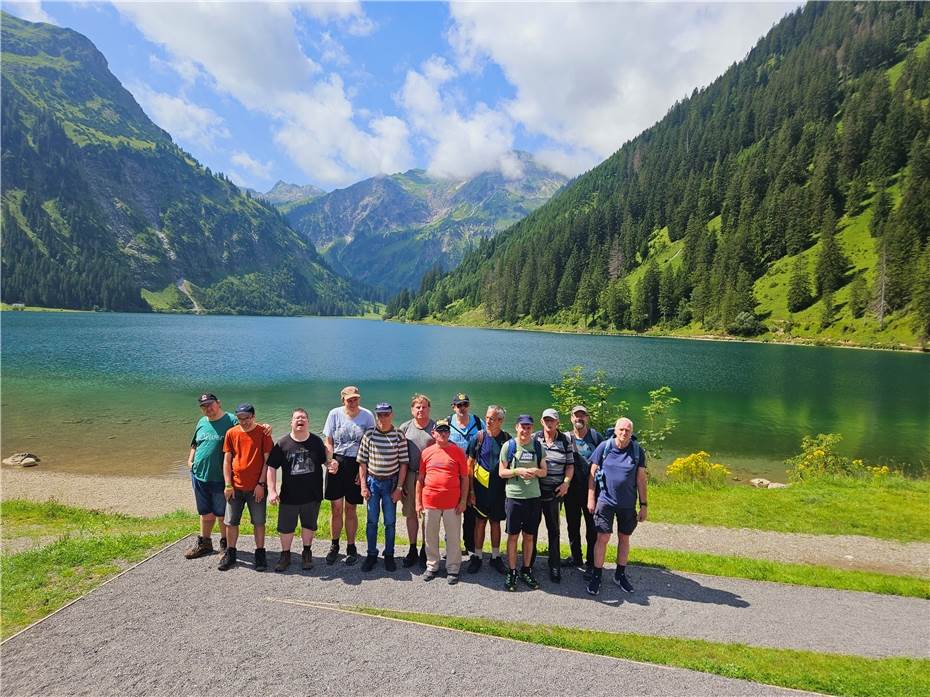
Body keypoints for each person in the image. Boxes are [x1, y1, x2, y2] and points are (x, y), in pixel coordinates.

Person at [586, 417, 648, 595]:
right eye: (621, 429)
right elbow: (592, 474)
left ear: (631, 432)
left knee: (624, 538)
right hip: (605, 501)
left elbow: (641, 480)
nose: (624, 433)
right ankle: (597, 575)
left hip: (627, 504)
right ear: (615, 430)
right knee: (602, 538)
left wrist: (644, 505)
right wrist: (591, 498)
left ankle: (620, 574)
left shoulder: (637, 451)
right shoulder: (604, 447)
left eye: (627, 430)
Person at [267, 408, 327, 572]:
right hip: (289, 495)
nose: (300, 420)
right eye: (296, 418)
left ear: (307, 422)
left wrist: (332, 464)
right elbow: (271, 467)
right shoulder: (282, 443)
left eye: (303, 418)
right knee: (286, 528)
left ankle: (307, 552)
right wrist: (272, 491)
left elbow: (325, 461)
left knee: (309, 525)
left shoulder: (316, 441)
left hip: (312, 494)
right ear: (291, 422)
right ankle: (285, 555)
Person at [322, 386, 375, 566]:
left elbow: (370, 444)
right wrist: (330, 462)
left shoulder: (367, 416)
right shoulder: (334, 414)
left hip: (356, 464)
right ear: (342, 400)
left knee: (351, 509)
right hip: (337, 462)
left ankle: (351, 546)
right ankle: (334, 545)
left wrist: (363, 472)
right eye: (349, 399)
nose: (353, 402)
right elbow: (328, 441)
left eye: (356, 399)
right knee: (336, 508)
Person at [219, 403, 273, 571]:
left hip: (256, 487)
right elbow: (227, 461)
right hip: (235, 486)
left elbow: (267, 461)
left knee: (258, 522)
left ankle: (260, 554)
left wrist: (261, 484)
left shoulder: (263, 433)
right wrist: (228, 484)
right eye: (240, 419)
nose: (244, 422)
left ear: (253, 416)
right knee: (231, 522)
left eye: (247, 418)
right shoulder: (231, 433)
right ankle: (231, 553)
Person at [357, 402, 409, 572]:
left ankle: (389, 555)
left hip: (390, 483)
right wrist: (363, 486)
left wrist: (399, 489)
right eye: (380, 414)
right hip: (373, 483)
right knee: (372, 521)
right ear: (376, 415)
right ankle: (371, 554)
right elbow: (363, 462)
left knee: (390, 522)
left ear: (392, 415)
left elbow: (403, 464)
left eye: (386, 414)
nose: (383, 417)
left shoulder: (398, 435)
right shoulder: (369, 434)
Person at [416, 419, 469, 584]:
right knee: (430, 537)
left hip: (452, 503)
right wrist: (418, 502)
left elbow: (465, 478)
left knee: (453, 537)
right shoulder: (426, 452)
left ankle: (453, 568)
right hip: (430, 501)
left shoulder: (458, 452)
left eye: (446, 430)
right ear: (434, 433)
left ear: (449, 433)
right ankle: (432, 565)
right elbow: (420, 478)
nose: (443, 433)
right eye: (440, 431)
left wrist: (463, 501)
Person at [498, 414, 546, 591]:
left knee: (529, 536)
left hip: (533, 497)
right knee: (512, 536)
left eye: (528, 427)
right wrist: (517, 471)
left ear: (532, 429)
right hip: (514, 497)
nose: (525, 430)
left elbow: (544, 472)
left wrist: (536, 471)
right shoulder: (509, 446)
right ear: (517, 427)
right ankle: (512, 571)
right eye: (522, 426)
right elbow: (501, 473)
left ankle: (526, 569)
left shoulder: (538, 446)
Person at [185, 393, 235, 559]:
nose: (208, 408)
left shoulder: (231, 420)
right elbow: (195, 444)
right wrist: (190, 460)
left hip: (220, 477)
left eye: (210, 404)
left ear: (218, 403)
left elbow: (248, 431)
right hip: (199, 475)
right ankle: (205, 544)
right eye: (204, 406)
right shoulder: (201, 422)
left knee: (221, 514)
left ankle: (225, 545)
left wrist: (264, 428)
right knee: (205, 513)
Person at [531, 408, 575, 582]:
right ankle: (529, 563)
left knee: (554, 530)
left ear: (558, 423)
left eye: (552, 420)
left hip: (555, 493)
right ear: (542, 422)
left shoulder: (565, 440)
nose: (549, 423)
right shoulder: (534, 438)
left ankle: (554, 565)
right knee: (531, 529)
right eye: (546, 420)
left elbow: (570, 465)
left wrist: (566, 483)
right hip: (534, 491)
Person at [465, 405, 510, 574]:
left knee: (495, 523)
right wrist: (470, 492)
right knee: (480, 522)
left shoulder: (507, 439)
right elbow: (469, 466)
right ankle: (477, 556)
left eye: (492, 418)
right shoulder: (478, 438)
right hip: (480, 489)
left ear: (500, 420)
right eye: (487, 417)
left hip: (499, 491)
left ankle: (496, 557)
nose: (488, 421)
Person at [564, 405, 604, 576]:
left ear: (587, 418)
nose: (579, 419)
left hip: (592, 491)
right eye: (576, 416)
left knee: (592, 528)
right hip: (571, 491)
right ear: (571, 418)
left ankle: (591, 561)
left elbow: (605, 462)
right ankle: (576, 557)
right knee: (572, 525)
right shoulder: (566, 438)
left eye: (583, 416)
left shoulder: (596, 437)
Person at [397, 394, 435, 567]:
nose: (421, 410)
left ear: (429, 408)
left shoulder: (436, 427)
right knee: (411, 513)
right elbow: (398, 456)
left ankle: (424, 549)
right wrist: (400, 482)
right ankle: (412, 548)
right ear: (412, 410)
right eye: (417, 407)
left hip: (430, 477)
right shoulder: (405, 428)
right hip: (410, 474)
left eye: (424, 407)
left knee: (428, 514)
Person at [448, 392, 483, 558]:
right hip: (453, 474)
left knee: (470, 511)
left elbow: (486, 439)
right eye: (459, 405)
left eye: (465, 405)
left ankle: (469, 546)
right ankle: (452, 547)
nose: (462, 408)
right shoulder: (447, 422)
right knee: (451, 512)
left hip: (471, 473)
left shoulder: (477, 421)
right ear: (453, 407)